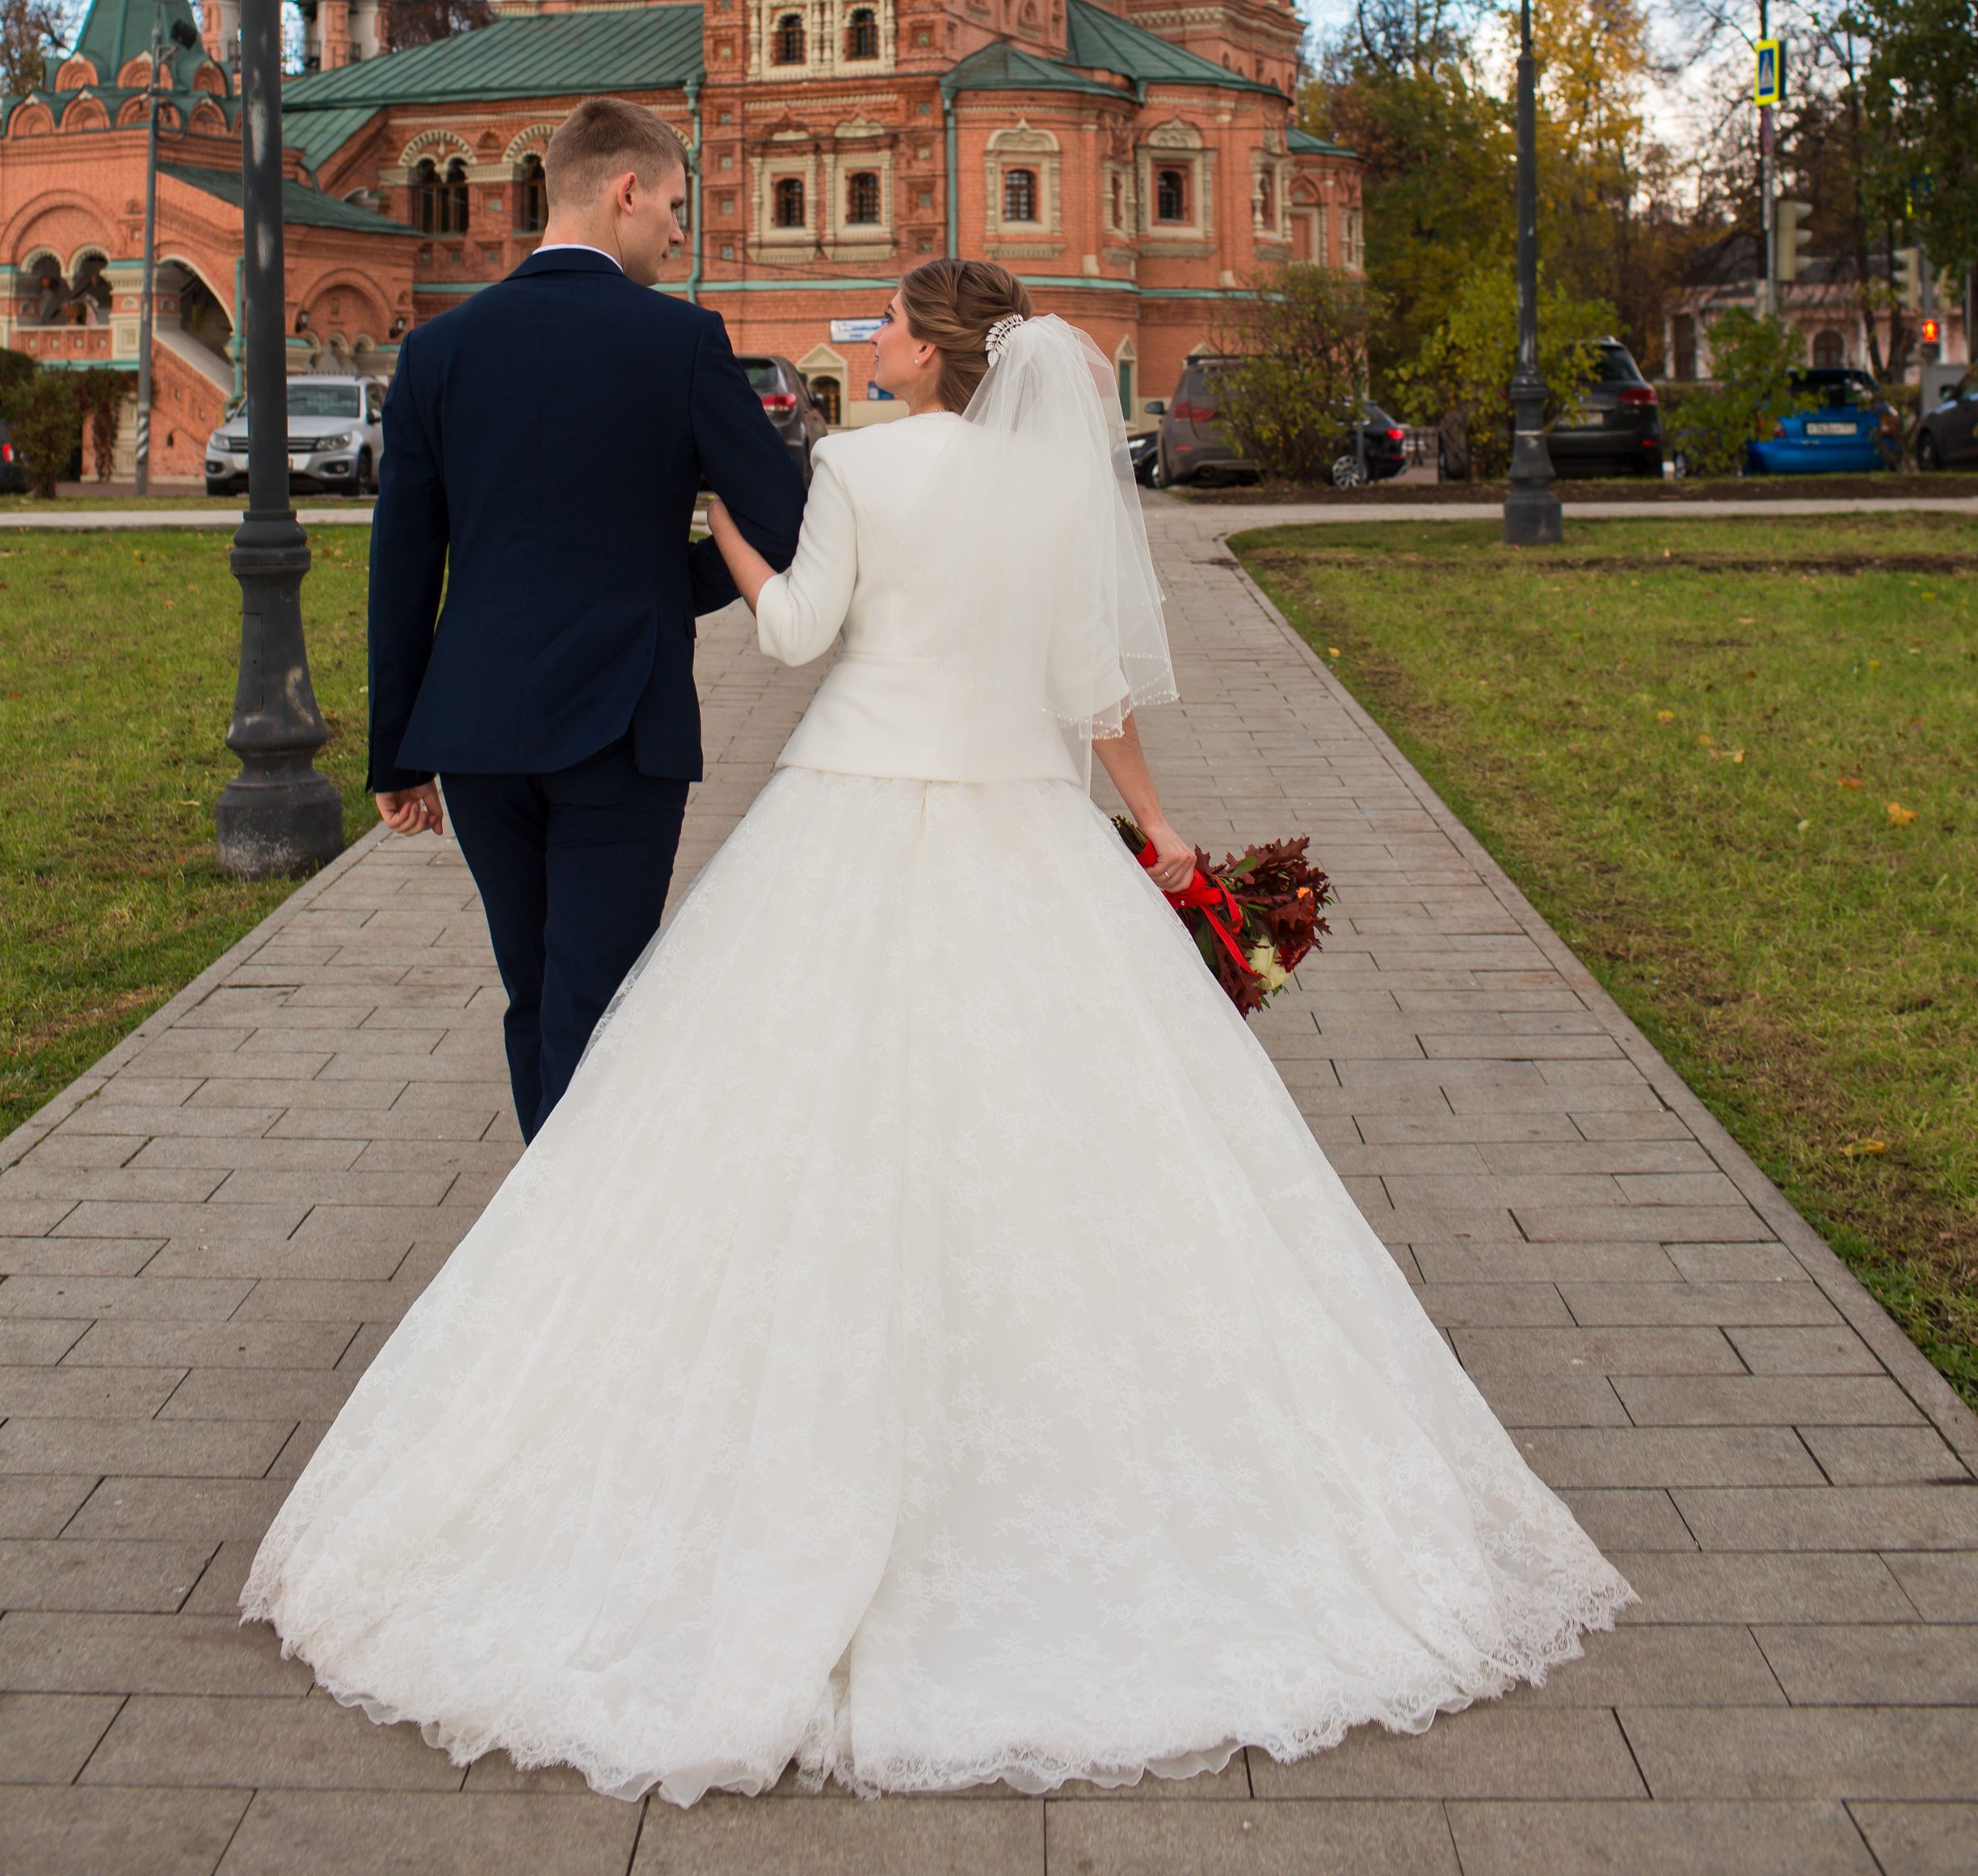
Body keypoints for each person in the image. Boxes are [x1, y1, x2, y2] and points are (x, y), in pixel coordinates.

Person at [249, 258, 1628, 1802]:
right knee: (1080, 1137)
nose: (873, 341)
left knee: (746, 1109)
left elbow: (796, 637)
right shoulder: (1055, 490)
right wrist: (1162, 833)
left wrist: (726, 540)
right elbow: (1092, 685)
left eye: (892, 322)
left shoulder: (854, 465)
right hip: (1023, 817)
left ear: (938, 349)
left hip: (849, 809)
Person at [365, 95, 806, 1140]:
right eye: (675, 207)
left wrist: (395, 755)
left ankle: (538, 1232)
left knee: (533, 993)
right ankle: (559, 1264)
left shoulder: (437, 352)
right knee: (601, 1005)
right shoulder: (684, 341)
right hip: (622, 727)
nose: (680, 232)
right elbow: (783, 523)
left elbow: (402, 560)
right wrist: (671, 582)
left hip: (473, 736)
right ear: (625, 193)